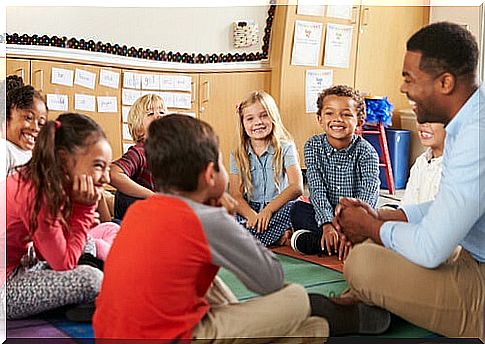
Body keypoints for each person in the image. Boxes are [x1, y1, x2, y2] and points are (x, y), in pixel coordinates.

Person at [93, 114, 391, 340]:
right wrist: (224, 216)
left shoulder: (141, 212)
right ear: (211, 174)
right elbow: (271, 280)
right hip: (176, 338)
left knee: (312, 328)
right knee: (297, 299)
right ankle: (344, 320)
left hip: (110, 335)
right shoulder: (209, 219)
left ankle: (326, 326)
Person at [332, 22, 485, 340]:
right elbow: (455, 204)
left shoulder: (476, 135)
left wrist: (370, 226)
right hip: (470, 255)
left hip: (479, 282)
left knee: (363, 262)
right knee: (379, 239)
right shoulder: (467, 120)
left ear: (445, 83)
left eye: (409, 78)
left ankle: (369, 305)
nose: (403, 89)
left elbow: (431, 249)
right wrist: (389, 216)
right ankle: (371, 306)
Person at [6, 113, 115, 319]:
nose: (107, 177)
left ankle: (96, 272)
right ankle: (94, 284)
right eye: (99, 166)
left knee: (100, 235)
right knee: (92, 279)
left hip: (25, 263)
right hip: (5, 286)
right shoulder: (37, 194)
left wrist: (77, 215)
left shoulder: (47, 181)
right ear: (64, 158)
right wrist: (84, 209)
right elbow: (62, 264)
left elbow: (45, 251)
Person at [290, 85, 380, 260]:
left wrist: (350, 229)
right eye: (330, 113)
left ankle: (321, 244)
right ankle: (342, 245)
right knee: (297, 209)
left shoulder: (367, 152)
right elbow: (316, 189)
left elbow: (367, 198)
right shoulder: (312, 146)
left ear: (359, 121)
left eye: (346, 114)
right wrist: (326, 224)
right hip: (325, 215)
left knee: (385, 218)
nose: (337, 119)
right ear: (320, 119)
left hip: (356, 220)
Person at [229, 91, 303, 247]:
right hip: (250, 210)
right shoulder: (237, 154)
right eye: (250, 118)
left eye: (264, 115)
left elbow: (296, 187)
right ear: (243, 123)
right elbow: (235, 194)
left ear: (273, 117)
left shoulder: (286, 147)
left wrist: (268, 211)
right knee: (223, 214)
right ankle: (275, 236)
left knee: (296, 208)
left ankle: (248, 240)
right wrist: (251, 216)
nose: (258, 122)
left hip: (278, 208)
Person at [110, 93, 167, 220]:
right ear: (138, 128)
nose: (158, 116)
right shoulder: (140, 151)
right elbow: (113, 173)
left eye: (162, 112)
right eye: (150, 114)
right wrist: (151, 195)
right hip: (139, 218)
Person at [5, 76, 48, 175]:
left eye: (41, 124)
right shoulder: (5, 150)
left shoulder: (30, 153)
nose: (35, 127)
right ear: (7, 118)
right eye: (28, 118)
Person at [400, 121, 445, 205]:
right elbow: (408, 206)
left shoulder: (461, 169)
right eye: (420, 116)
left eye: (433, 117)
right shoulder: (421, 162)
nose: (424, 123)